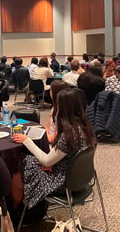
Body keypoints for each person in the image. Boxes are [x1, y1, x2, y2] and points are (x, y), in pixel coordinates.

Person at [11, 88, 97, 216]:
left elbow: (46, 161)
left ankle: (17, 212)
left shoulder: (69, 135)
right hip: (80, 177)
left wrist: (26, 140)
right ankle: (28, 205)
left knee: (20, 164)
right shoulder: (84, 127)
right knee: (30, 161)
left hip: (63, 182)